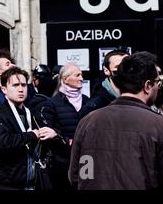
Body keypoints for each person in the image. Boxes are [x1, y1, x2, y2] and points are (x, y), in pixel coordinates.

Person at [69, 51, 163, 190]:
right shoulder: (158, 125)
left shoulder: (88, 121)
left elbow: (77, 175)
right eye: (157, 82)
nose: (158, 87)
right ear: (147, 85)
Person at [0, 67, 56, 190]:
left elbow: (54, 133)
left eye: (23, 85)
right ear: (4, 89)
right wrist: (32, 135)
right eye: (15, 85)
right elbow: (4, 143)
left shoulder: (31, 113)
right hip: (5, 184)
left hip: (32, 181)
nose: (21, 89)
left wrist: (53, 134)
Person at [40, 63, 89, 190]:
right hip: (62, 162)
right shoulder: (52, 104)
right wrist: (67, 141)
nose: (81, 79)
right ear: (65, 79)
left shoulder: (88, 101)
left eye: (82, 75)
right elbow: (48, 133)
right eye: (77, 75)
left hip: (86, 160)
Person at [81, 49, 129, 117]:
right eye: (118, 67)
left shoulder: (141, 98)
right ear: (106, 71)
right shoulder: (94, 107)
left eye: (127, 66)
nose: (124, 70)